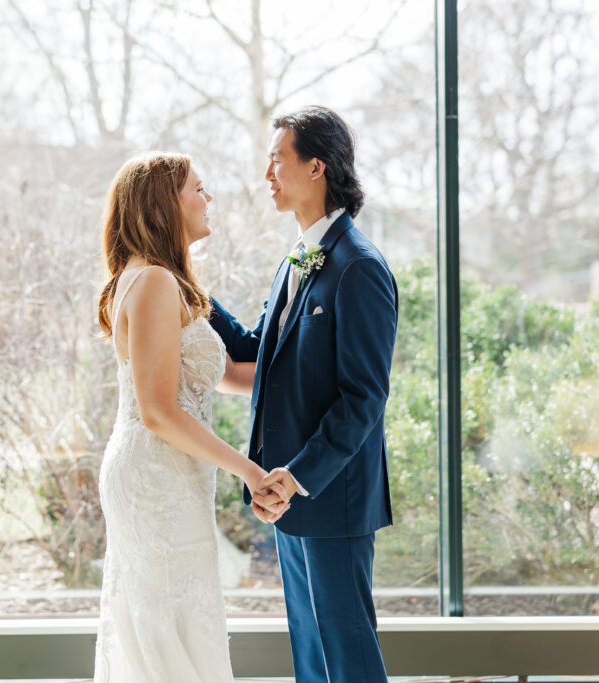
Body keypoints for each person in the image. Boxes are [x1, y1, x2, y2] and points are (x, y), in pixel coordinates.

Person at [209, 106, 398, 683]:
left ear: (315, 167)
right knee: (313, 664)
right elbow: (253, 353)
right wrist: (188, 288)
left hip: (328, 498)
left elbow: (363, 398)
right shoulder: (297, 260)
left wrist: (296, 475)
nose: (267, 174)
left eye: (276, 160)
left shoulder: (359, 267)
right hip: (287, 501)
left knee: (349, 662)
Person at [92, 151, 288, 682]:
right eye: (198, 189)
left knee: (176, 622)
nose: (208, 200)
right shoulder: (153, 281)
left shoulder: (158, 279)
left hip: (166, 471)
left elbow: (217, 374)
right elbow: (158, 411)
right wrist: (251, 471)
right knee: (168, 628)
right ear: (164, 204)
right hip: (156, 476)